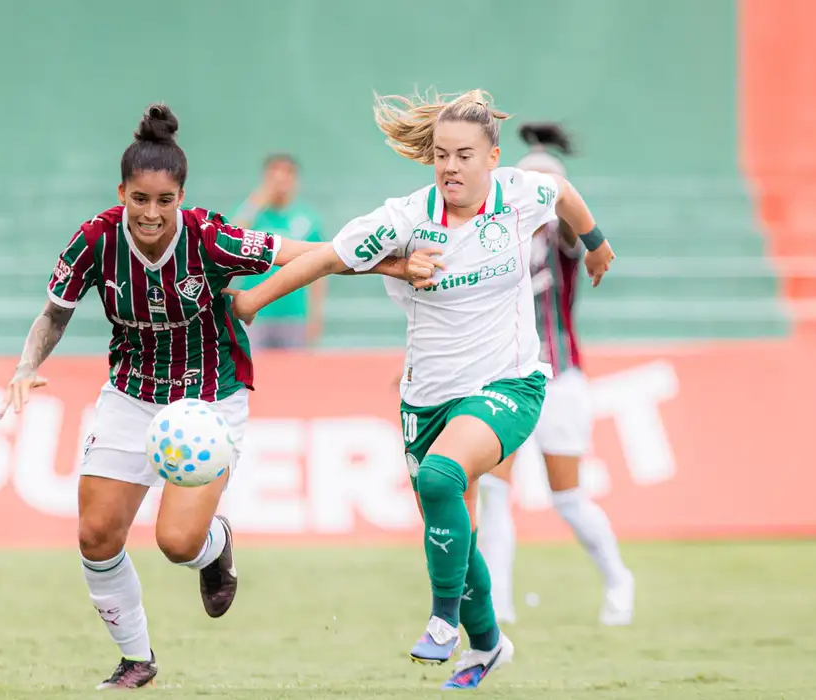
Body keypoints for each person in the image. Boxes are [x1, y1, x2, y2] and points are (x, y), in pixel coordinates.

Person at [0, 103, 429, 690]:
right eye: (139, 199)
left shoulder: (208, 236)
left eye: (164, 200)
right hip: (130, 395)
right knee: (95, 537)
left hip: (208, 401)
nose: (151, 213)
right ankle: (136, 661)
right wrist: (26, 366)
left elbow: (307, 253)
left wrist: (394, 265)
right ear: (121, 193)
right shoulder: (94, 240)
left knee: (177, 543)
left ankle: (214, 546)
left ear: (181, 196)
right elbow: (54, 314)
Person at [224, 89, 615, 690]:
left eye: (464, 155)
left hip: (511, 383)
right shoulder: (403, 220)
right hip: (427, 398)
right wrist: (252, 301)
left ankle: (442, 620)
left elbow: (563, 193)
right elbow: (326, 259)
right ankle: (488, 645)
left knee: (440, 478)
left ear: (492, 158)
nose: (451, 167)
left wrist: (595, 244)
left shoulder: (518, 193)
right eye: (441, 155)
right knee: (457, 530)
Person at [478, 123, 635, 627]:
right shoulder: (493, 238)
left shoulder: (564, 237)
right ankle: (497, 607)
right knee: (494, 493)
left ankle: (618, 579)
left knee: (567, 498)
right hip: (505, 378)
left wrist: (561, 197)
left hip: (559, 378)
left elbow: (572, 223)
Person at [229, 154, 325, 349]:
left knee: (295, 367)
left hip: (294, 316)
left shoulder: (308, 219)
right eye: (274, 174)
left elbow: (321, 269)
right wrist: (254, 203)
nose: (280, 180)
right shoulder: (250, 215)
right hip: (255, 313)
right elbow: (229, 243)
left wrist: (315, 317)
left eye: (287, 174)